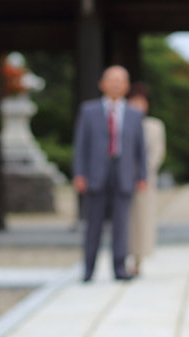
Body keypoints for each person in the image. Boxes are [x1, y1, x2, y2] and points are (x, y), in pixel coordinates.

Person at [72, 65, 147, 281]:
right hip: (95, 174)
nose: (115, 84)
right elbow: (81, 145)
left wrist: (143, 175)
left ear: (126, 86)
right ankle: (88, 269)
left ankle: (120, 269)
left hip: (124, 174)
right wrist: (79, 173)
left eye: (120, 80)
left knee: (121, 225)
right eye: (111, 79)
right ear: (102, 84)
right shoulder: (89, 110)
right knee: (92, 224)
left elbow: (140, 148)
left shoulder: (135, 114)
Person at [127, 83, 166, 277]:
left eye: (141, 102)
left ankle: (138, 260)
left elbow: (157, 153)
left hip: (145, 181)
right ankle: (122, 258)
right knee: (124, 221)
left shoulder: (154, 125)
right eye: (133, 102)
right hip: (122, 180)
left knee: (142, 221)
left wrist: (142, 173)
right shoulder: (122, 124)